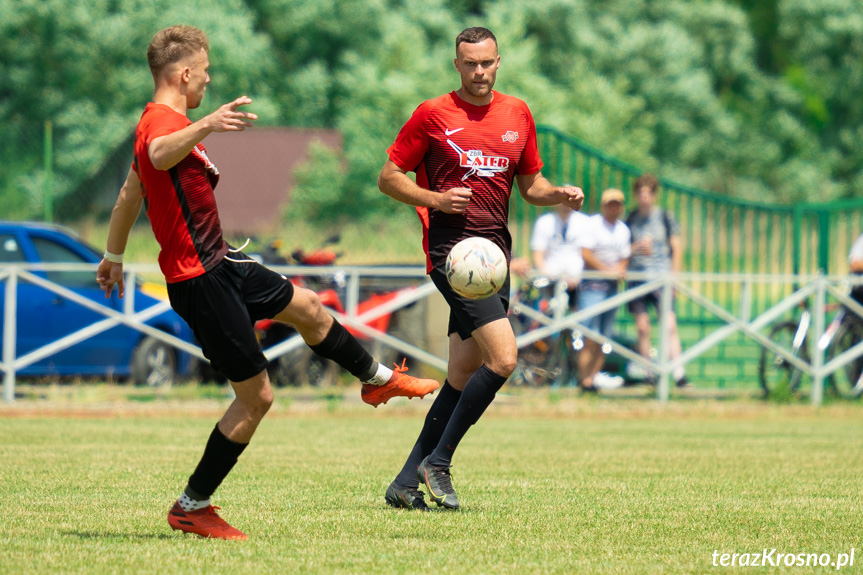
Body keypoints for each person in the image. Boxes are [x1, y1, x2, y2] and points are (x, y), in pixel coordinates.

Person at [96, 25, 439, 540]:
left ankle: (376, 380)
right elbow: (161, 154)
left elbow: (128, 194)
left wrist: (113, 254)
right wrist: (208, 124)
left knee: (309, 308)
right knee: (256, 398)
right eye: (205, 73)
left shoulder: (164, 125)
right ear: (184, 74)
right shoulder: (159, 124)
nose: (207, 82)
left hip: (224, 263)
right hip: (200, 279)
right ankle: (192, 505)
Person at [377, 27, 584, 511]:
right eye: (470, 64)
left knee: (463, 371)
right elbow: (388, 178)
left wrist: (558, 195)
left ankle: (406, 482)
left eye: (487, 63)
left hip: (496, 257)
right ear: (457, 64)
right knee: (504, 359)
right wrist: (435, 199)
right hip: (454, 255)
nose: (479, 72)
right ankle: (439, 462)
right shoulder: (432, 114)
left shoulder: (518, 113)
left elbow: (531, 185)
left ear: (498, 61)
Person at [625, 173, 689, 388]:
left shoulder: (664, 217)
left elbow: (676, 247)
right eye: (641, 193)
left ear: (654, 195)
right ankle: (649, 372)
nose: (644, 198)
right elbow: (622, 249)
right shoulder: (631, 218)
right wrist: (635, 249)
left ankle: (679, 373)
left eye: (648, 193)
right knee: (643, 328)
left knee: (669, 325)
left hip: (661, 278)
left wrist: (675, 276)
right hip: (637, 278)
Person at [577, 188, 631, 392]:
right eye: (610, 204)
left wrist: (619, 270)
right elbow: (586, 254)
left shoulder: (623, 230)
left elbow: (624, 257)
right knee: (589, 335)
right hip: (592, 287)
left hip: (611, 288)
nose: (614, 208)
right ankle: (585, 380)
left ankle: (593, 377)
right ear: (603, 206)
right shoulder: (593, 226)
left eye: (617, 204)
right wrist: (608, 270)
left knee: (603, 338)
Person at [529, 200, 591, 308]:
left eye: (569, 202)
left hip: (578, 282)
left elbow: (588, 254)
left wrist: (577, 278)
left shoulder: (585, 222)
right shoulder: (544, 222)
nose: (566, 205)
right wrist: (550, 277)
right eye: (563, 201)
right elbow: (537, 254)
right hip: (550, 281)